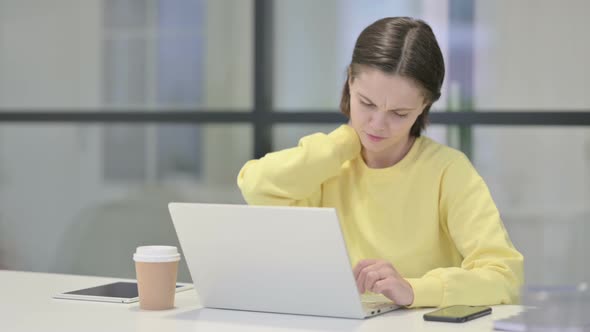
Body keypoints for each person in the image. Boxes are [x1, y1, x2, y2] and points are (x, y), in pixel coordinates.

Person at [237, 17, 523, 308]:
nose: (377, 125)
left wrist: (414, 290)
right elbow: (254, 187)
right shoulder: (324, 164)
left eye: (399, 113)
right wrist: (342, 144)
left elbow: (504, 277)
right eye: (367, 103)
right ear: (349, 82)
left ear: (425, 106)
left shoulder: (448, 171)